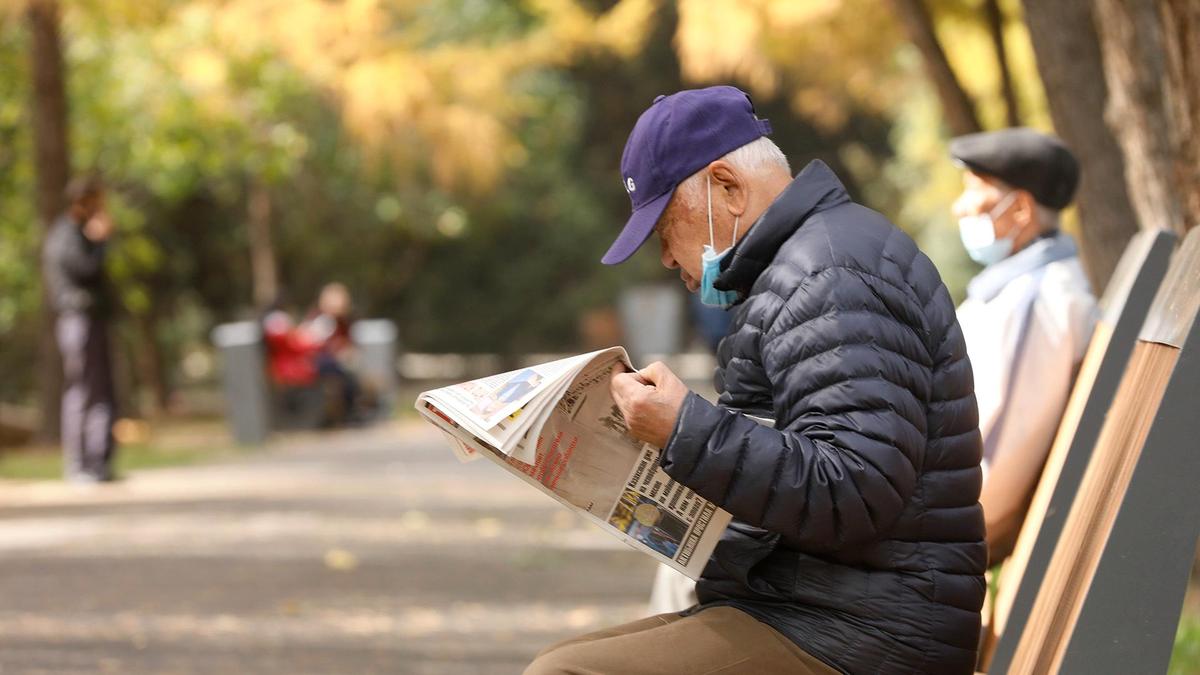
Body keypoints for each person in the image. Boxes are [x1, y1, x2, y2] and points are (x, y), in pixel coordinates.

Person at [526, 86, 986, 675]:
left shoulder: (830, 273)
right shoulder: (804, 267)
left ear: (728, 187)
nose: (667, 257)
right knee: (561, 660)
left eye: (667, 225)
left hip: (868, 634)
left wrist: (685, 429)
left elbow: (857, 485)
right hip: (821, 608)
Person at [949, 128, 1098, 564]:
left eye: (974, 192)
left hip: (943, 548)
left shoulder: (1040, 301)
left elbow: (996, 464)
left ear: (1018, 210)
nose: (960, 207)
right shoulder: (1024, 289)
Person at [43, 175, 117, 483]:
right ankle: (79, 465)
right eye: (96, 201)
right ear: (82, 202)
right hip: (78, 319)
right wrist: (100, 242)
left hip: (92, 319)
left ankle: (99, 463)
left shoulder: (79, 235)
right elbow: (85, 271)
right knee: (82, 392)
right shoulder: (66, 235)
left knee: (100, 391)